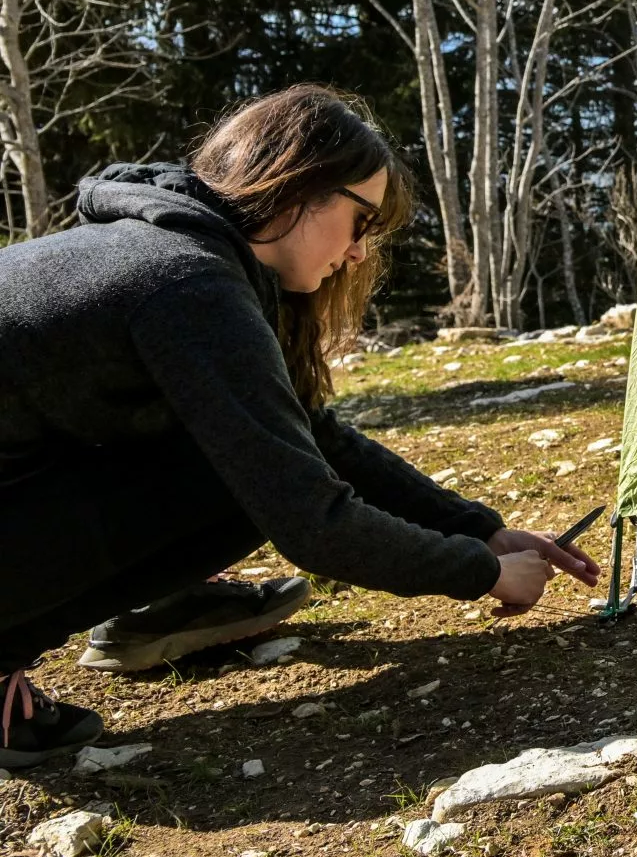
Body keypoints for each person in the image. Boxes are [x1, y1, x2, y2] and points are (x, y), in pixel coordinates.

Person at [0, 86, 598, 766]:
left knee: (246, 457)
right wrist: (482, 572)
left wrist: (479, 528)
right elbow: (312, 518)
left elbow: (314, 435)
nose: (359, 253)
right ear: (300, 188)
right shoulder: (185, 284)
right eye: (362, 221)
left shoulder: (165, 248)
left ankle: (149, 611)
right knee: (243, 483)